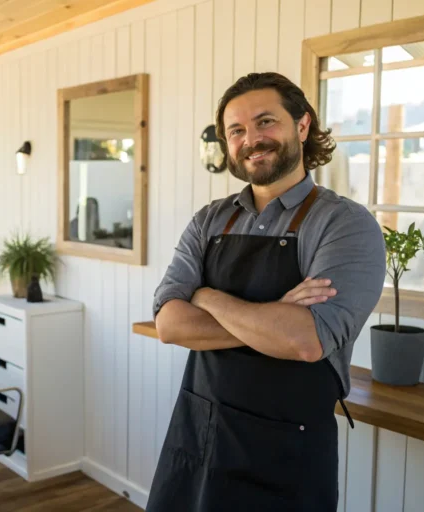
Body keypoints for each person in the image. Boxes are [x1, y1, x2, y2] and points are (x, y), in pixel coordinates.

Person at [146, 72, 386, 511]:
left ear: (302, 125)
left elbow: (304, 340)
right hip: (198, 439)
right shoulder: (208, 220)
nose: (251, 139)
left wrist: (206, 297)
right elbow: (169, 324)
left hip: (285, 458)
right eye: (236, 130)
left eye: (265, 122)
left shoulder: (345, 225)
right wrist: (272, 316)